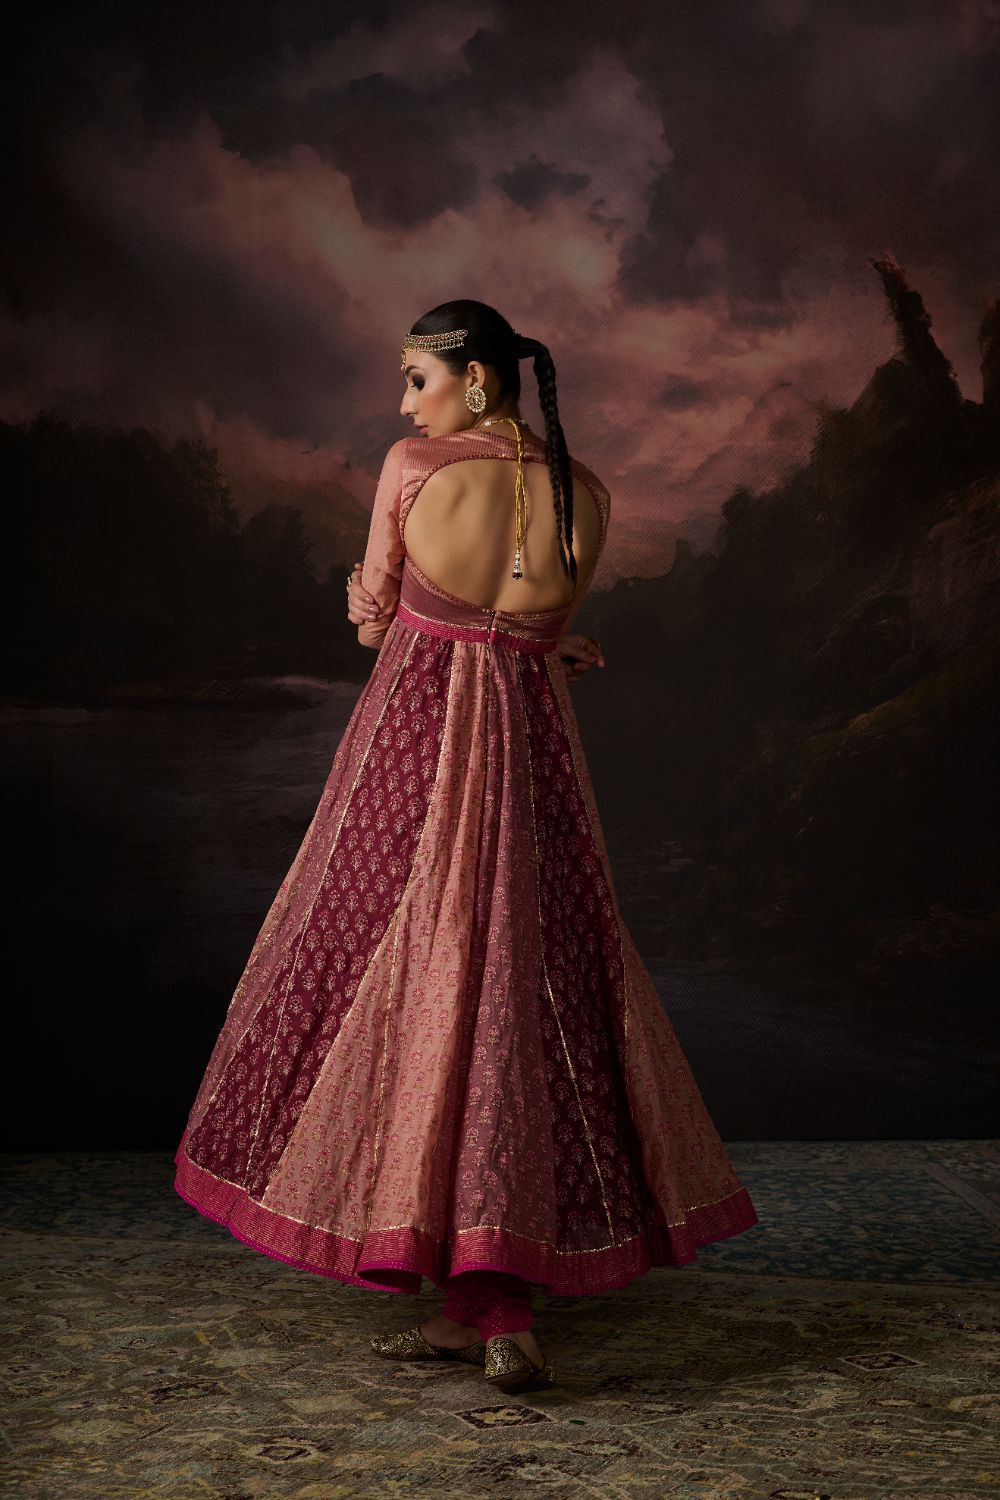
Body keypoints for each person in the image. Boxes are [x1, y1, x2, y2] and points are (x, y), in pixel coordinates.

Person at [174, 298, 759, 1395]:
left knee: (400, 967)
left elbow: (376, 617)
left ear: (475, 381)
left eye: (417, 379)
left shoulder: (412, 469)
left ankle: (478, 1298)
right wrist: (548, 643)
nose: (405, 404)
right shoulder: (587, 490)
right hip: (533, 745)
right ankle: (484, 1309)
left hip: (420, 739)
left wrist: (388, 606)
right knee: (524, 981)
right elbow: (531, 622)